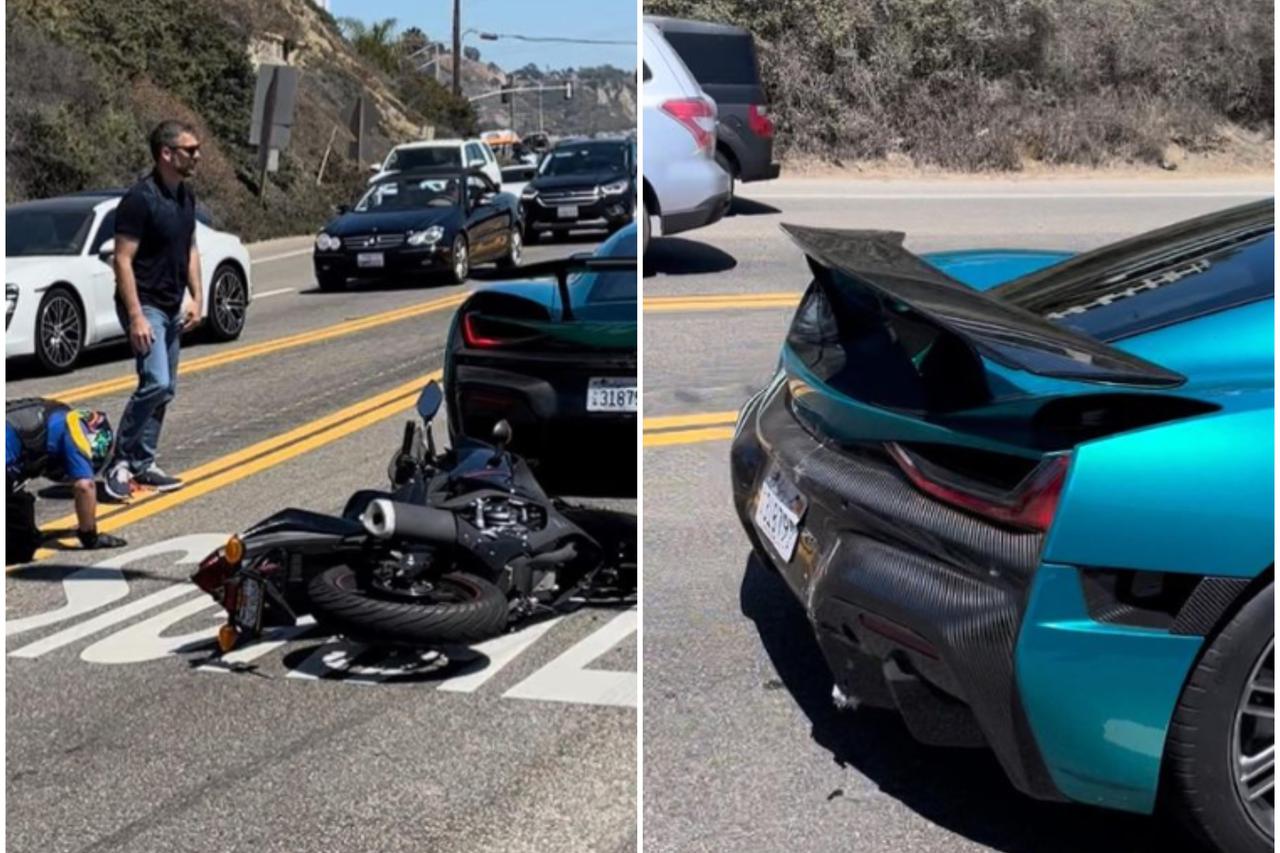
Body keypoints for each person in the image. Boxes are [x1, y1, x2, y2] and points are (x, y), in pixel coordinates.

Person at [103, 119, 204, 501]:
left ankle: (144, 463)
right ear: (166, 153)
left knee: (166, 390)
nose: (197, 156)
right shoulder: (139, 199)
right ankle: (119, 463)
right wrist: (136, 316)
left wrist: (197, 297)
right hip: (145, 306)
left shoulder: (185, 196)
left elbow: (190, 248)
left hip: (172, 303)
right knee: (156, 382)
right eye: (189, 150)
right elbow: (122, 259)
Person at [6, 398, 127, 565]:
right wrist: (89, 536)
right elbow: (85, 486)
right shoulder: (76, 433)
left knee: (20, 506)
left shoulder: (54, 413)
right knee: (20, 546)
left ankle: (28, 534)